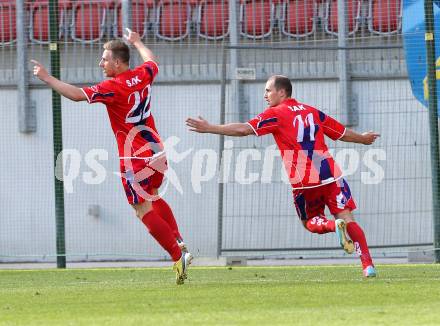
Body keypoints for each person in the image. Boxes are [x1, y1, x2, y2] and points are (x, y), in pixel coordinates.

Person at [32, 29, 192, 285]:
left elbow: (76, 95)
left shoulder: (113, 86)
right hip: (156, 150)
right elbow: (153, 61)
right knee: (152, 197)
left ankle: (177, 256)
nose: (101, 63)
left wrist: (47, 77)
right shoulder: (141, 75)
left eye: (104, 59)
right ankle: (179, 241)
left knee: (140, 209)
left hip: (135, 157)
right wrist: (138, 42)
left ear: (118, 62)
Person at [186, 75, 380, 277]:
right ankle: (367, 265)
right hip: (330, 174)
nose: (265, 95)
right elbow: (341, 133)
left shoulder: (276, 114)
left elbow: (244, 129)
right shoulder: (312, 111)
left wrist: (210, 128)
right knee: (348, 217)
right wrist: (364, 139)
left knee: (310, 221)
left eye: (268, 90)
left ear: (282, 92)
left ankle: (332, 226)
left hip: (305, 180)